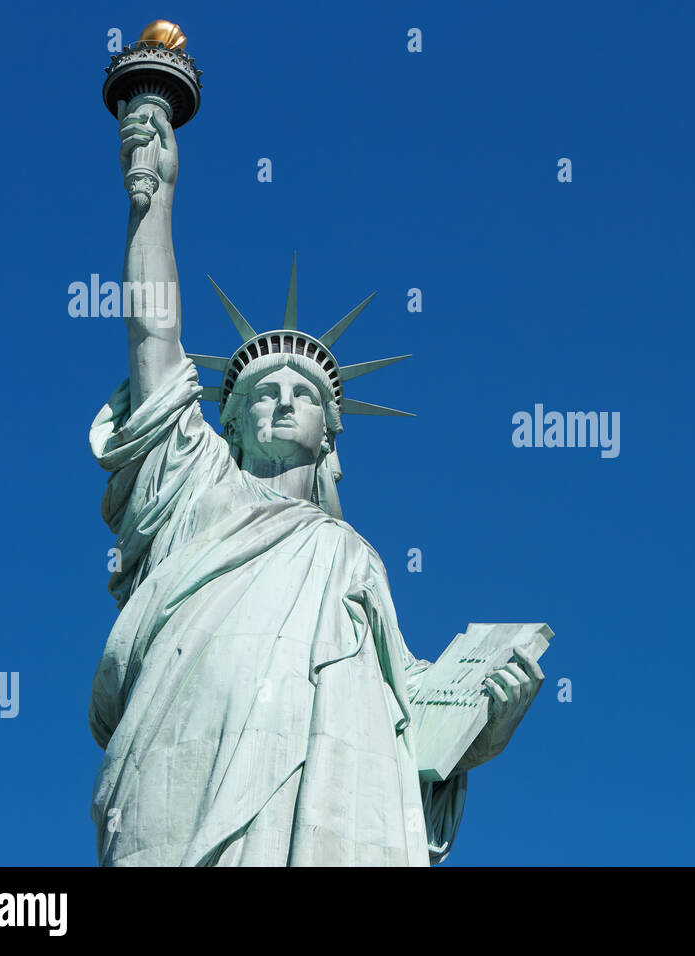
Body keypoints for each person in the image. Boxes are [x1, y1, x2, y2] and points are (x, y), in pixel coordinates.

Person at [87, 100, 542, 866]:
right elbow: (153, 337)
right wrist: (154, 204)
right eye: (261, 393)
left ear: (330, 431)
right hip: (186, 753)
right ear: (224, 423)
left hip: (330, 790)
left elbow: (407, 708)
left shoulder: (349, 556)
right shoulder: (195, 490)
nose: (282, 402)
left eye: (301, 394)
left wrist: (484, 716)